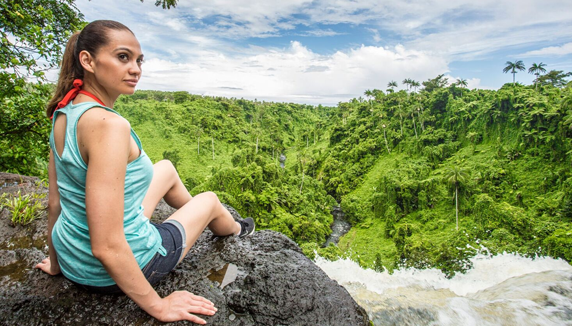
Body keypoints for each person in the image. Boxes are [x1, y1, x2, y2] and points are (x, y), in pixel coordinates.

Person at [34, 20, 255, 324]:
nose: (136, 68)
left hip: (73, 260)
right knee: (209, 200)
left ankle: (192, 220)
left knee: (164, 168)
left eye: (139, 60)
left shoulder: (64, 112)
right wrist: (159, 306)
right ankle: (238, 230)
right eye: (123, 57)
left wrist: (58, 265)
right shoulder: (110, 126)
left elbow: (56, 203)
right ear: (88, 61)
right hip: (117, 270)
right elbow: (106, 245)